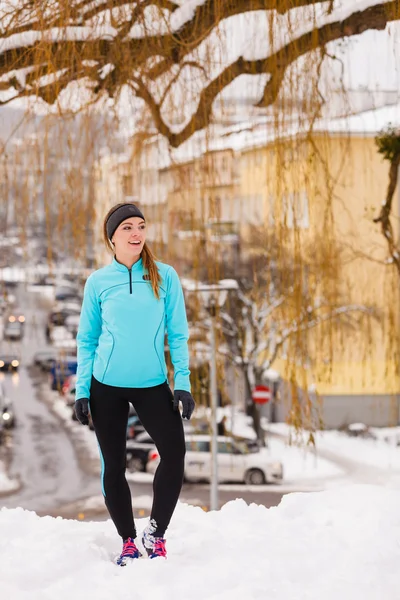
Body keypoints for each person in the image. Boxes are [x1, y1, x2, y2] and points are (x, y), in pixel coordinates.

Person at [74, 202, 195, 566]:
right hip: (106, 385)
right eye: (127, 227)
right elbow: (87, 339)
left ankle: (155, 534)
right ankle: (128, 540)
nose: (136, 233)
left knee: (174, 454)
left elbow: (178, 335)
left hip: (152, 383)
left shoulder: (164, 276)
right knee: (114, 465)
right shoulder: (98, 282)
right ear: (112, 238)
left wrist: (183, 383)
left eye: (140, 225)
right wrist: (82, 390)